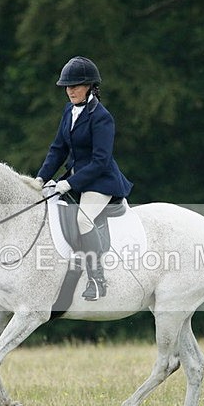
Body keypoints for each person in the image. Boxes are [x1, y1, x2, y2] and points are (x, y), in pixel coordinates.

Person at [34, 56, 133, 301]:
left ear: (89, 86)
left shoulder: (102, 117)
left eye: (75, 86)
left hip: (101, 181)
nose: (70, 91)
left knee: (83, 220)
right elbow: (58, 149)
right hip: (77, 177)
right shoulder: (69, 111)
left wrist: (70, 183)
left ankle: (97, 280)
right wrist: (40, 179)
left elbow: (100, 161)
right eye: (67, 86)